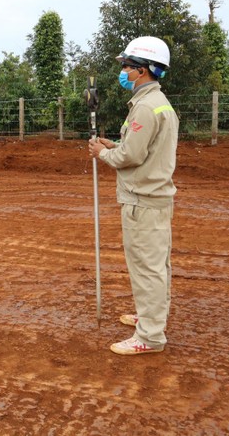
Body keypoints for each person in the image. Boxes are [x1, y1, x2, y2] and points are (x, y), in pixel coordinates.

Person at [88, 36, 179, 356]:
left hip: (143, 201)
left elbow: (132, 157)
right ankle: (151, 317)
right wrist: (115, 146)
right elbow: (141, 149)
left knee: (146, 268)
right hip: (154, 198)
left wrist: (103, 153)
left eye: (127, 66)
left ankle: (150, 336)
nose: (123, 72)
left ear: (142, 70)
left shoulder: (145, 107)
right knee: (156, 265)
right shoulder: (157, 102)